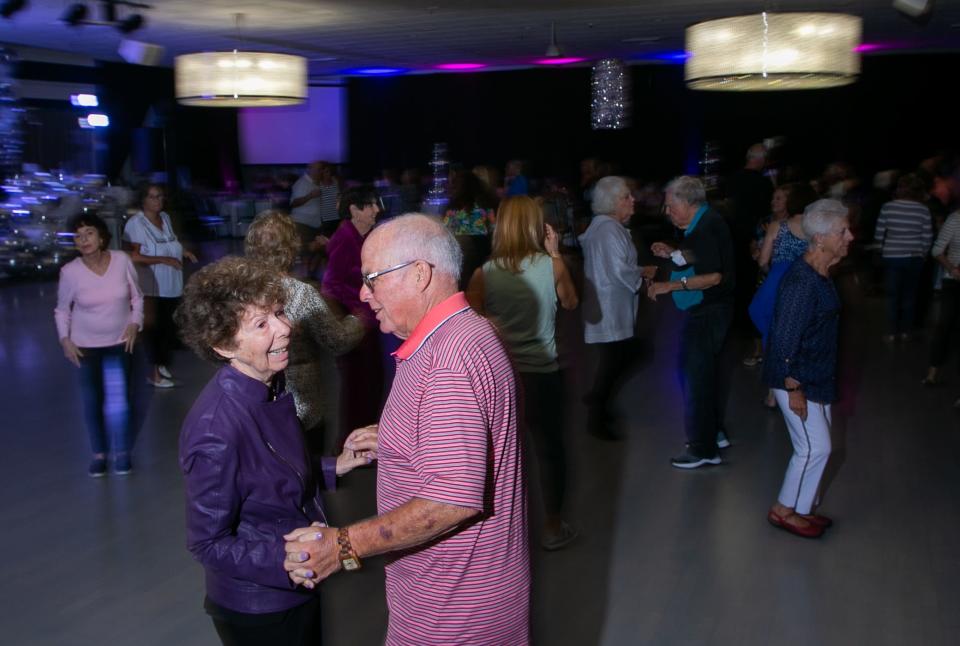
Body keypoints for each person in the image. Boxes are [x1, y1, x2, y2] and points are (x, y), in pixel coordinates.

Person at [284, 214, 529, 645]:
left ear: (420, 274)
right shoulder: (464, 333)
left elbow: (451, 500)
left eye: (372, 279)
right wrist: (403, 438)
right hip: (461, 598)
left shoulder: (449, 360)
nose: (362, 293)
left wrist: (343, 545)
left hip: (453, 615)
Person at [175, 256, 377, 646]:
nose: (285, 329)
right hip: (261, 605)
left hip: (299, 580)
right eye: (261, 324)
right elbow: (207, 541)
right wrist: (281, 560)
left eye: (280, 313)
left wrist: (337, 465)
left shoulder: (270, 384)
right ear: (222, 345)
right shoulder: (216, 430)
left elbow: (269, 476)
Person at [466, 195, 579, 550]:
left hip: (501, 378)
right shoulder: (552, 266)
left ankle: (499, 534)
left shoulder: (484, 273)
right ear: (536, 227)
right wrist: (556, 253)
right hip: (543, 374)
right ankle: (552, 525)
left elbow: (469, 321)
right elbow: (572, 303)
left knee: (496, 456)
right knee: (550, 451)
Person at [763, 199, 853, 538]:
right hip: (796, 379)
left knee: (819, 445)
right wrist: (793, 387)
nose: (850, 236)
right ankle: (783, 510)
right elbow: (784, 339)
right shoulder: (802, 282)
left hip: (816, 375)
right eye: (843, 231)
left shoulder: (821, 273)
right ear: (820, 239)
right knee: (815, 448)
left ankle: (802, 508)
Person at [244, 210, 364, 439]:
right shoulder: (302, 293)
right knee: (308, 463)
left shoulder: (239, 291)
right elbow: (336, 340)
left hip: (255, 399)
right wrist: (357, 320)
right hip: (299, 403)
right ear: (291, 248)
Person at [647, 175, 735, 468]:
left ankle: (703, 449)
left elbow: (713, 276)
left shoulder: (705, 229)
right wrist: (673, 254)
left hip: (709, 311)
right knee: (699, 373)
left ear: (687, 202)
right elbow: (700, 257)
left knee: (694, 377)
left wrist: (668, 286)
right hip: (713, 310)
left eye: (671, 205)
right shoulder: (704, 222)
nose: (667, 211)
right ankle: (713, 432)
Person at [55, 212, 143, 477]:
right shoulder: (70, 272)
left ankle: (123, 452)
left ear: (102, 236)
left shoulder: (122, 261)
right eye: (78, 236)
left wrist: (134, 323)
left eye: (89, 233)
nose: (84, 240)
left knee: (123, 400)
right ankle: (99, 453)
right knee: (93, 401)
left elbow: (137, 298)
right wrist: (65, 339)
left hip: (121, 341)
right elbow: (62, 310)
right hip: (86, 346)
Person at [579, 176, 655, 439]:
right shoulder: (608, 230)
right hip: (610, 310)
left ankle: (598, 403)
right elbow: (620, 270)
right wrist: (644, 272)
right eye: (626, 197)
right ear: (612, 203)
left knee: (615, 361)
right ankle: (596, 413)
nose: (632, 200)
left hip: (609, 307)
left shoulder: (605, 227)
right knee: (617, 361)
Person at [321, 185, 384, 445]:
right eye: (370, 205)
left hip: (366, 322)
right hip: (356, 324)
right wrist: (353, 314)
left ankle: (362, 439)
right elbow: (331, 284)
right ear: (354, 210)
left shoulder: (363, 236)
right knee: (358, 385)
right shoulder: (346, 239)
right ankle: (352, 443)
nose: (377, 209)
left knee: (370, 382)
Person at [123, 182, 197, 387]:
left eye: (160, 196)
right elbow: (134, 256)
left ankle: (161, 363)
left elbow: (171, 242)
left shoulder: (165, 218)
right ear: (143, 200)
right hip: (151, 284)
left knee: (168, 328)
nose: (158, 201)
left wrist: (183, 252)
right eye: (153, 197)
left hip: (172, 283)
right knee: (154, 330)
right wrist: (164, 260)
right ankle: (153, 373)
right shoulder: (135, 224)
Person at [874, 173, 933, 342]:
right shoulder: (923, 209)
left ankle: (892, 332)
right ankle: (906, 331)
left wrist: (879, 248)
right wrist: (923, 253)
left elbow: (880, 232)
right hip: (915, 256)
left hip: (893, 255)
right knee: (909, 295)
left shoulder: (888, 207)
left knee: (893, 296)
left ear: (900, 189)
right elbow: (927, 236)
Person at [923, 206, 960, 392]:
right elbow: (937, 250)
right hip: (954, 281)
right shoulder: (955, 219)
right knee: (944, 327)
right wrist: (953, 268)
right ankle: (932, 373)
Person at [443, 169, 499, 290]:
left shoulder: (452, 211)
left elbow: (445, 235)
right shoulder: (487, 207)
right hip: (484, 260)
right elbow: (494, 234)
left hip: (463, 263)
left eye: (454, 185)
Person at [290, 161, 340, 274]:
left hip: (323, 221)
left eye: (325, 170)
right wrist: (310, 196)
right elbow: (293, 203)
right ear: (310, 169)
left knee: (321, 248)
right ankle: (308, 275)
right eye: (321, 170)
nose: (323, 172)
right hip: (308, 223)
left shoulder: (320, 183)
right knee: (312, 249)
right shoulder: (306, 183)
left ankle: (313, 274)